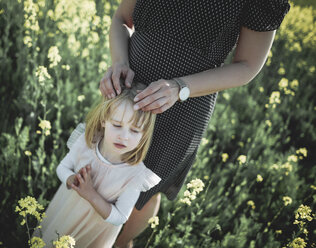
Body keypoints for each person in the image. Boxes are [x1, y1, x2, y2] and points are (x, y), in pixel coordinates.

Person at [99, 0, 291, 247]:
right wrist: (119, 64)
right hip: (125, 91)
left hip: (183, 105)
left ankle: (121, 243)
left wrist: (180, 87)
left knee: (146, 188)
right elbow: (121, 20)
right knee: (101, 166)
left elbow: (248, 66)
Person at [33, 83, 161, 248]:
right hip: (66, 214)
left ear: (144, 135)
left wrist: (90, 194)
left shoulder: (134, 175)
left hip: (92, 233)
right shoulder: (86, 143)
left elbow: (120, 217)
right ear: (103, 121)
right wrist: (71, 179)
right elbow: (62, 168)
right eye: (117, 125)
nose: (124, 137)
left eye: (135, 131)